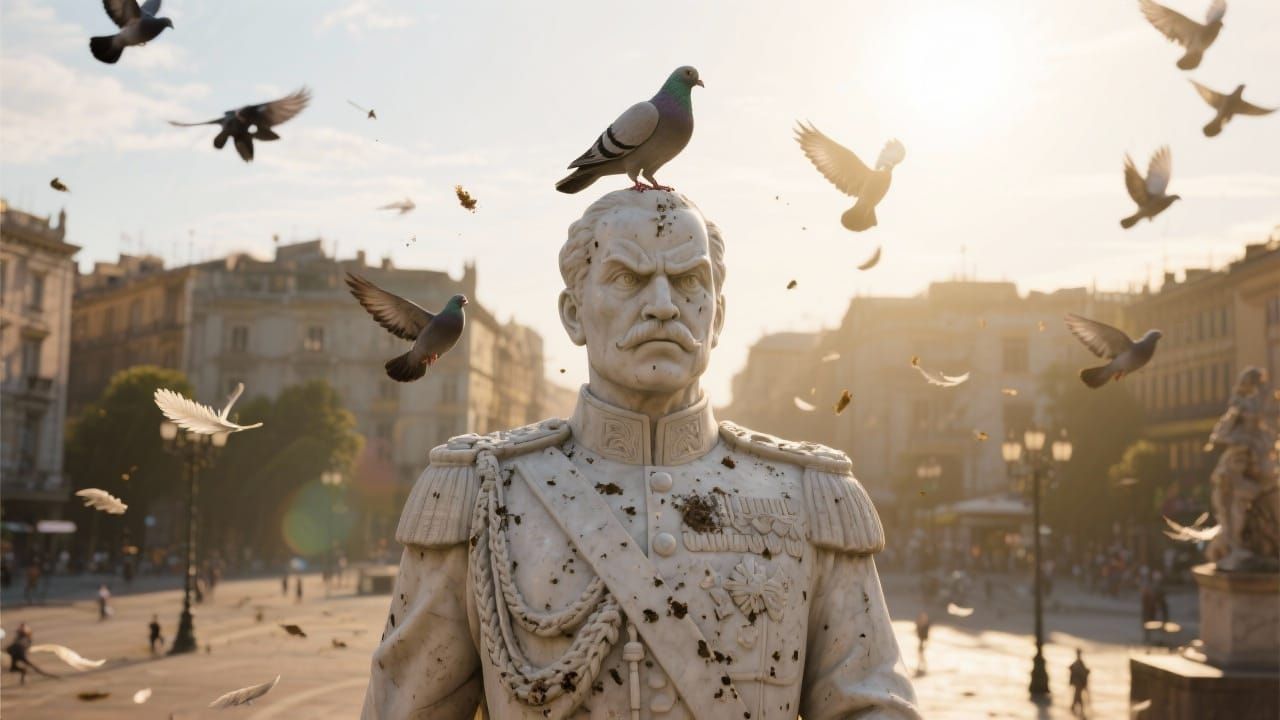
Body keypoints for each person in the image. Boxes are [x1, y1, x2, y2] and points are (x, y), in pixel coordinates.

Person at [362, 190, 919, 718]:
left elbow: (870, 707)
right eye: (628, 277)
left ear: (717, 317)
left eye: (687, 281)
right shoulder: (479, 494)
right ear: (574, 313)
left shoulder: (809, 497)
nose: (662, 306)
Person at [1069, 647, 1090, 717]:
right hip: (1078, 683)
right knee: (1078, 696)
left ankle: (1074, 706)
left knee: (1077, 696)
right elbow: (1079, 672)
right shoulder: (1078, 663)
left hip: (1079, 683)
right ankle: (1076, 707)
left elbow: (1081, 672)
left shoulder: (1079, 662)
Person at [915, 610, 931, 675]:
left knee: (922, 655)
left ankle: (923, 667)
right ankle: (920, 666)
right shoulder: (920, 626)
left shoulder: (925, 626)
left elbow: (925, 636)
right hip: (921, 642)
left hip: (923, 642)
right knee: (920, 655)